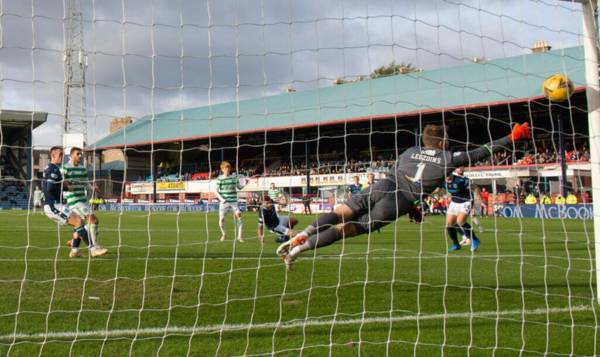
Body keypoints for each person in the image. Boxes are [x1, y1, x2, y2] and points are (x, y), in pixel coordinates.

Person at [277, 122, 531, 270]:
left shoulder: (410, 151)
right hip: (398, 201)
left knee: (341, 211)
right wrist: (513, 136)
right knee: (348, 229)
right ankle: (299, 251)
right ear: (442, 143)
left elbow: (396, 171)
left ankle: (305, 232)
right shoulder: (448, 158)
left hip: (382, 186)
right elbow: (482, 151)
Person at [42, 146, 106, 258]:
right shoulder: (55, 169)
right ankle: (94, 248)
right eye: (60, 155)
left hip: (62, 203)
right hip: (58, 204)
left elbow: (61, 185)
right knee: (89, 220)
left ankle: (75, 248)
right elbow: (50, 188)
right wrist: (66, 187)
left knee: (79, 223)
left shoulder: (56, 168)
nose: (62, 157)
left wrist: (66, 186)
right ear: (53, 156)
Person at [62, 147, 107, 256]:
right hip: (74, 201)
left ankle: (74, 249)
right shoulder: (65, 168)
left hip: (82, 200)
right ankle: (95, 246)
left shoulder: (82, 169)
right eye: (78, 154)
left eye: (80, 154)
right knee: (93, 220)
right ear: (71, 155)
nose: (80, 156)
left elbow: (86, 183)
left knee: (80, 226)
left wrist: (93, 187)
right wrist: (66, 184)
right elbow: (61, 181)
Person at [445, 167, 481, 251]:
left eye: (448, 173)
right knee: (449, 224)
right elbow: (436, 190)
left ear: (451, 173)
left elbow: (475, 188)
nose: (447, 176)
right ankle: (456, 244)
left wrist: (479, 200)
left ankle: (475, 240)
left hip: (466, 201)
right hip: (454, 203)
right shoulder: (442, 181)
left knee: (460, 221)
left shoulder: (461, 180)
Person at [215, 161, 245, 242]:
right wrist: (222, 199)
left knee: (239, 216)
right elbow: (216, 191)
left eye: (229, 168)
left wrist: (244, 184)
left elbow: (239, 187)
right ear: (222, 169)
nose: (228, 169)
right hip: (224, 203)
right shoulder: (219, 179)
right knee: (221, 219)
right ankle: (224, 234)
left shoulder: (234, 178)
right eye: (226, 168)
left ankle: (240, 237)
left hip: (233, 202)